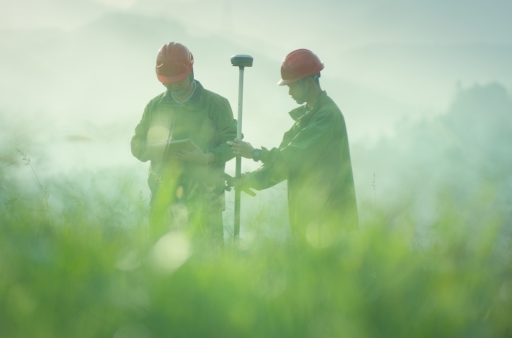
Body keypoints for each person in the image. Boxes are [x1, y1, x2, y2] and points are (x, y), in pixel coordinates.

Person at [228, 49, 358, 248]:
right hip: (309, 219)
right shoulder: (306, 118)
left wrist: (255, 153)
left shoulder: (327, 117)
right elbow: (285, 165)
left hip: (330, 218)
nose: (289, 92)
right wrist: (250, 179)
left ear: (308, 82)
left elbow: (292, 157)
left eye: (292, 86)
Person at [131, 42, 237, 246]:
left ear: (191, 71)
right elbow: (137, 144)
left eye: (178, 80)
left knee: (208, 264)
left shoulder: (215, 104)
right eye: (167, 82)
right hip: (163, 200)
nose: (173, 86)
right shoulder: (155, 106)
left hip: (206, 201)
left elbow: (232, 143)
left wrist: (207, 157)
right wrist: (158, 150)